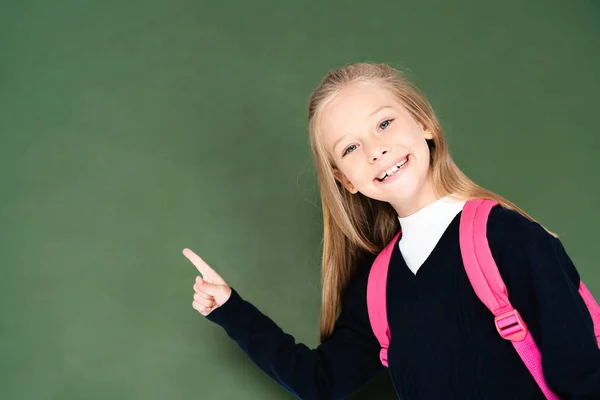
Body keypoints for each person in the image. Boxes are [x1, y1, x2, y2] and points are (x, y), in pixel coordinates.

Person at [183, 63, 600, 399]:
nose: (375, 150)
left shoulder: (509, 238)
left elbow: (583, 378)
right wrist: (230, 309)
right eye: (349, 148)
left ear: (425, 124)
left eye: (383, 124)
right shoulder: (378, 287)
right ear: (345, 180)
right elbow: (321, 382)